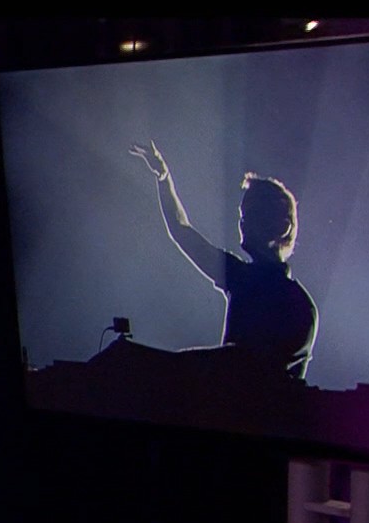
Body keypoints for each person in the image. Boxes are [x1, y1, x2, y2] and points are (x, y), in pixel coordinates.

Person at [131, 139, 318, 380]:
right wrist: (163, 176)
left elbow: (248, 365)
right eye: (242, 215)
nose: (242, 222)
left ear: (283, 227)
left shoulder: (297, 305)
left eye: (252, 213)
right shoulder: (244, 279)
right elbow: (182, 231)